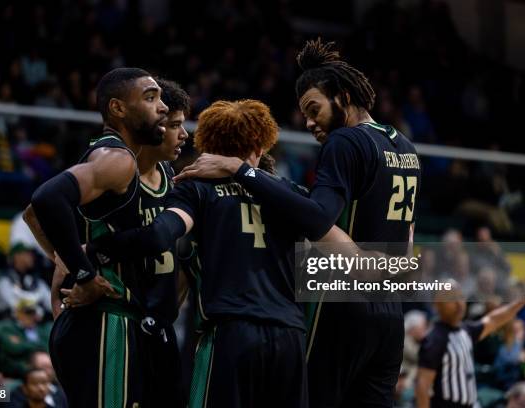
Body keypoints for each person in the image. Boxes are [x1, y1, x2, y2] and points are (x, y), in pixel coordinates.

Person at [173, 38, 420, 407]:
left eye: (314, 108)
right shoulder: (406, 148)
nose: (308, 122)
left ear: (344, 97)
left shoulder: (346, 141)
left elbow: (317, 217)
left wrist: (240, 170)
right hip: (389, 314)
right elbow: (408, 243)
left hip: (340, 305)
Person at [81, 99, 354, 408]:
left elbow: (159, 235)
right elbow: (345, 250)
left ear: (209, 145)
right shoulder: (289, 194)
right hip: (289, 338)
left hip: (231, 333)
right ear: (261, 146)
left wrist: (96, 249)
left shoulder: (196, 188)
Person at [25, 67, 168, 407]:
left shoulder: (113, 156)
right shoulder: (118, 159)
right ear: (117, 108)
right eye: (150, 98)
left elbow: (32, 214)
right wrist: (84, 273)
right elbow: (45, 199)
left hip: (102, 321)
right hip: (106, 322)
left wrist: (64, 257)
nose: (162, 106)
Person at [136, 78, 189, 407]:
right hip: (122, 320)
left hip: (161, 325)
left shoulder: (174, 178)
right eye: (175, 125)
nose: (184, 135)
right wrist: (80, 275)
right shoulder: (113, 167)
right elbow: (37, 212)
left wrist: (170, 307)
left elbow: (185, 260)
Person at [415, 278, 525, 408]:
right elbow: (422, 387)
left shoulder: (466, 331)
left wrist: (521, 301)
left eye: (461, 297)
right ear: (437, 304)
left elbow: (494, 319)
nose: (459, 303)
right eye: (451, 298)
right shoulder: (435, 339)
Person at [0, 299, 51, 378]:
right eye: (26, 313)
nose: (30, 316)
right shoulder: (7, 327)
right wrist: (37, 347)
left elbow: (48, 346)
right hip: (18, 363)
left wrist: (24, 343)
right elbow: (14, 348)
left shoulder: (41, 329)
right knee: (41, 363)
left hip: (41, 362)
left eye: (32, 312)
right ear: (17, 313)